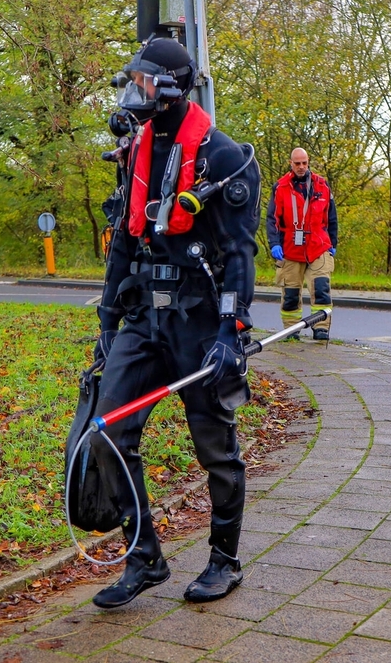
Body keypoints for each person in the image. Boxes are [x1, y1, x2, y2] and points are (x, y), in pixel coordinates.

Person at [89, 37, 261, 608]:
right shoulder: (135, 148)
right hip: (143, 313)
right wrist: (109, 318)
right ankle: (145, 557)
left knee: (215, 445)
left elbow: (239, 253)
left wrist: (231, 333)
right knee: (110, 432)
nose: (133, 92)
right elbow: (123, 241)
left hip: (198, 316)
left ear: (168, 88)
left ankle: (224, 560)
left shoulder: (222, 156)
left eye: (142, 82)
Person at [265, 148, 338, 340]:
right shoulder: (280, 187)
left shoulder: (322, 185)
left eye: (304, 163)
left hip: (318, 245)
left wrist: (333, 242)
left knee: (321, 288)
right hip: (290, 247)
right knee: (290, 292)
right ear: (291, 163)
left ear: (308, 162)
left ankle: (321, 327)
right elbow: (272, 219)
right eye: (297, 163)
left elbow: (331, 217)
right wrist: (274, 243)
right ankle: (291, 330)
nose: (301, 167)